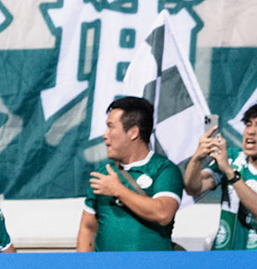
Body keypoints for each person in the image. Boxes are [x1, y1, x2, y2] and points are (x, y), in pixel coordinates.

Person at [78, 96, 189, 252]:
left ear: (133, 132)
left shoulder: (164, 170)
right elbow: (88, 228)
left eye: (111, 127)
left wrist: (118, 190)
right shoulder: (103, 175)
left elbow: (163, 213)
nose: (105, 135)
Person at [189, 100, 257, 252]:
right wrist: (197, 159)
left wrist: (230, 173)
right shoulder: (233, 158)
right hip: (224, 258)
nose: (250, 131)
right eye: (248, 124)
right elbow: (193, 188)